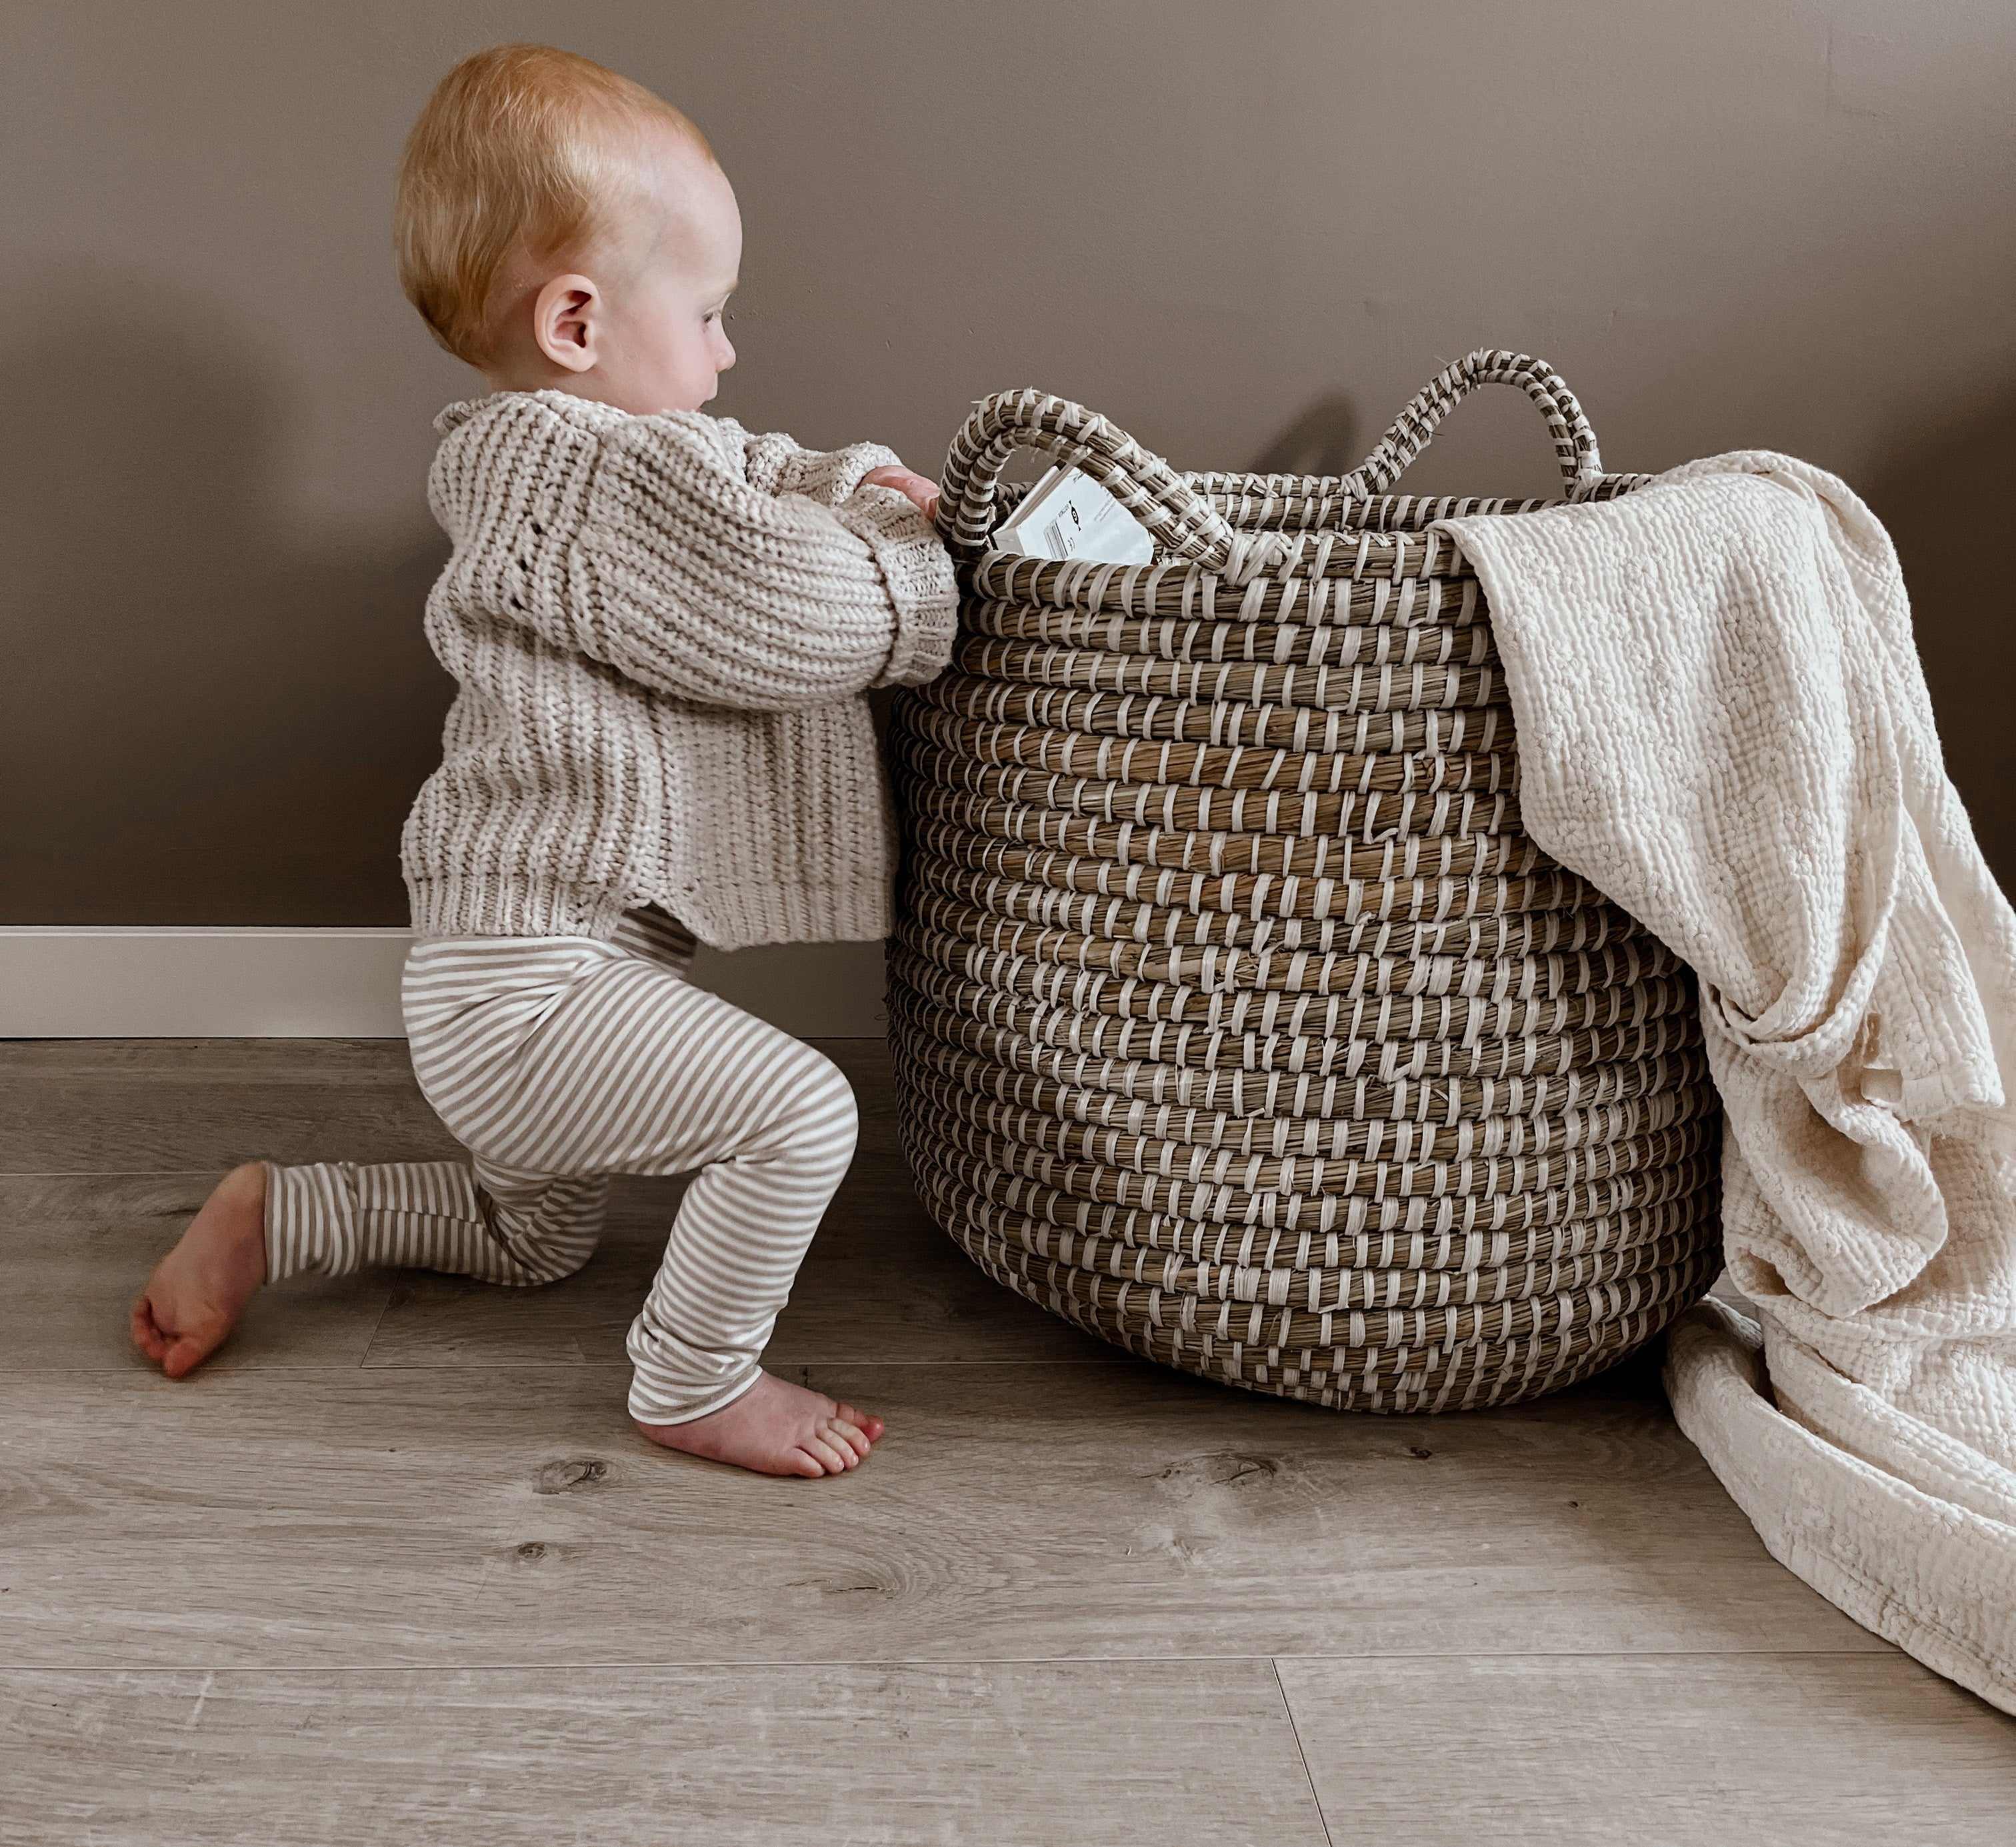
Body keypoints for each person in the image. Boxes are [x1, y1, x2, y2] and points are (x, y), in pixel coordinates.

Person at [129, 43, 956, 1479]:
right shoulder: (577, 473)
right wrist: (917, 560)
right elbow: (788, 609)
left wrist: (839, 480)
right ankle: (695, 1375)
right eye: (707, 313)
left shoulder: (580, 462)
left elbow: (746, 475)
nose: (727, 352)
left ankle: (283, 1213)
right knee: (805, 1108)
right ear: (578, 321)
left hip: (520, 976)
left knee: (532, 1236)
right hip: (534, 993)